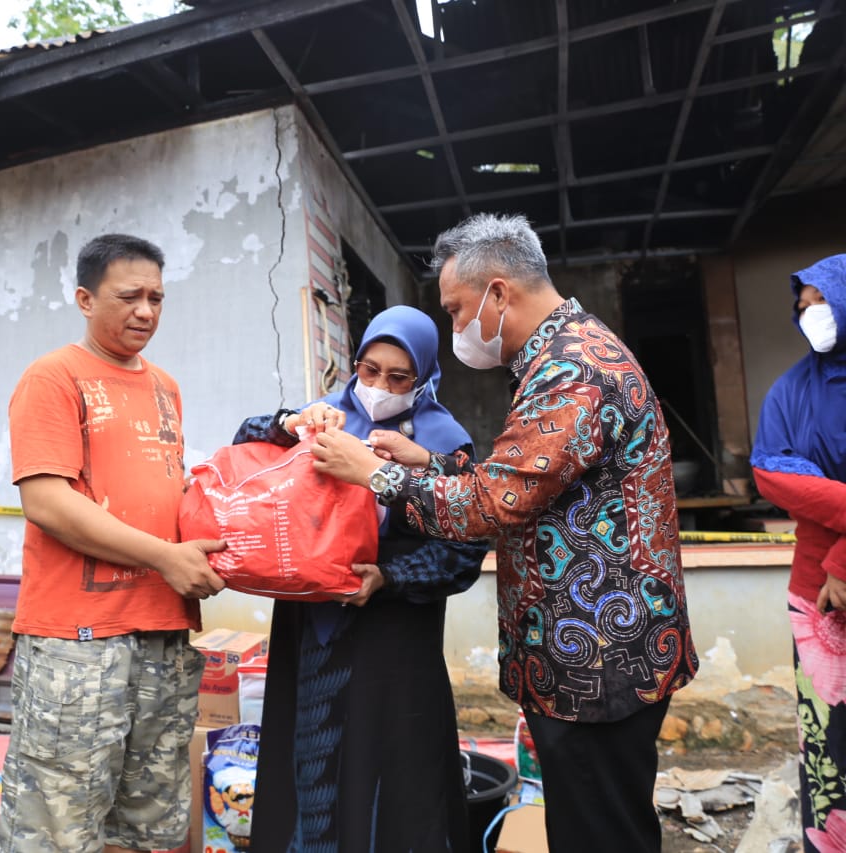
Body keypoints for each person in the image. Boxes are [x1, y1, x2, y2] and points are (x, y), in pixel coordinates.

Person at [310, 212, 698, 853]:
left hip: (597, 660)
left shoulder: (572, 371)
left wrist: (374, 476)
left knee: (602, 834)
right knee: (592, 822)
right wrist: (429, 466)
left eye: (457, 310)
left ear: (497, 293)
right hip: (589, 654)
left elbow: (495, 505)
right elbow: (537, 482)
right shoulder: (562, 355)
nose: (457, 328)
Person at [231, 305, 488, 852]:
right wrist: (289, 423)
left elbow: (464, 553)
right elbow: (246, 442)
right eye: (369, 370)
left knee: (394, 773)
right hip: (314, 634)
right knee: (313, 765)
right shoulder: (326, 416)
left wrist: (389, 577)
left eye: (399, 377)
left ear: (423, 377)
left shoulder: (444, 443)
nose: (379, 387)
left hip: (395, 637)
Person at [0, 233, 226, 853]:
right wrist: (164, 557)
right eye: (129, 296)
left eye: (157, 298)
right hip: (78, 640)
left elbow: (169, 493)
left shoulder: (166, 386)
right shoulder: (54, 376)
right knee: (56, 824)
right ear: (84, 298)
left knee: (149, 821)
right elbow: (47, 501)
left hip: (163, 630)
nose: (146, 312)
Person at [751, 253, 846, 851]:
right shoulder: (791, 390)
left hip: (828, 569)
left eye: (821, 301)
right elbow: (771, 473)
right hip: (818, 600)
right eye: (802, 305)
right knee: (829, 747)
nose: (808, 314)